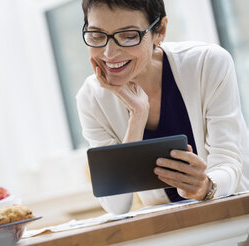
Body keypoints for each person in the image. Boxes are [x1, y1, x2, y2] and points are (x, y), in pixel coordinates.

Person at [76, 0, 249, 214]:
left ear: (160, 30)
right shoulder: (91, 98)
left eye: (129, 36)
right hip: (172, 231)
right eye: (97, 36)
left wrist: (205, 186)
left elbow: (230, 163)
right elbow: (116, 204)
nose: (109, 54)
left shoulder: (207, 63)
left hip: (235, 221)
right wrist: (137, 116)